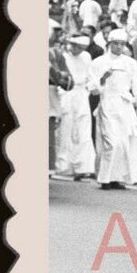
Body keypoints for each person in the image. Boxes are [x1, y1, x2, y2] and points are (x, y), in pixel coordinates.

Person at [91, 30, 137, 190]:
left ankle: (117, 177)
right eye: (115, 43)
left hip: (124, 107)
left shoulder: (130, 63)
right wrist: (102, 79)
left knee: (124, 143)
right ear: (109, 44)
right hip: (107, 105)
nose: (119, 47)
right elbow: (92, 89)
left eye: (122, 44)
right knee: (111, 142)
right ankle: (105, 178)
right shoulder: (98, 62)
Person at [56, 34, 96, 180]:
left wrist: (92, 87)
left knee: (83, 130)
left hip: (81, 94)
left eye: (81, 48)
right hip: (66, 93)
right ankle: (64, 167)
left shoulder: (86, 57)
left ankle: (84, 166)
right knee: (66, 130)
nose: (78, 50)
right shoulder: (63, 56)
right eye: (76, 46)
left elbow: (90, 75)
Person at [48, 22, 73, 172]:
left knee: (49, 136)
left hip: (49, 97)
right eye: (54, 32)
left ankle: (48, 168)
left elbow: (68, 82)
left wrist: (60, 77)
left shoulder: (56, 54)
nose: (56, 36)